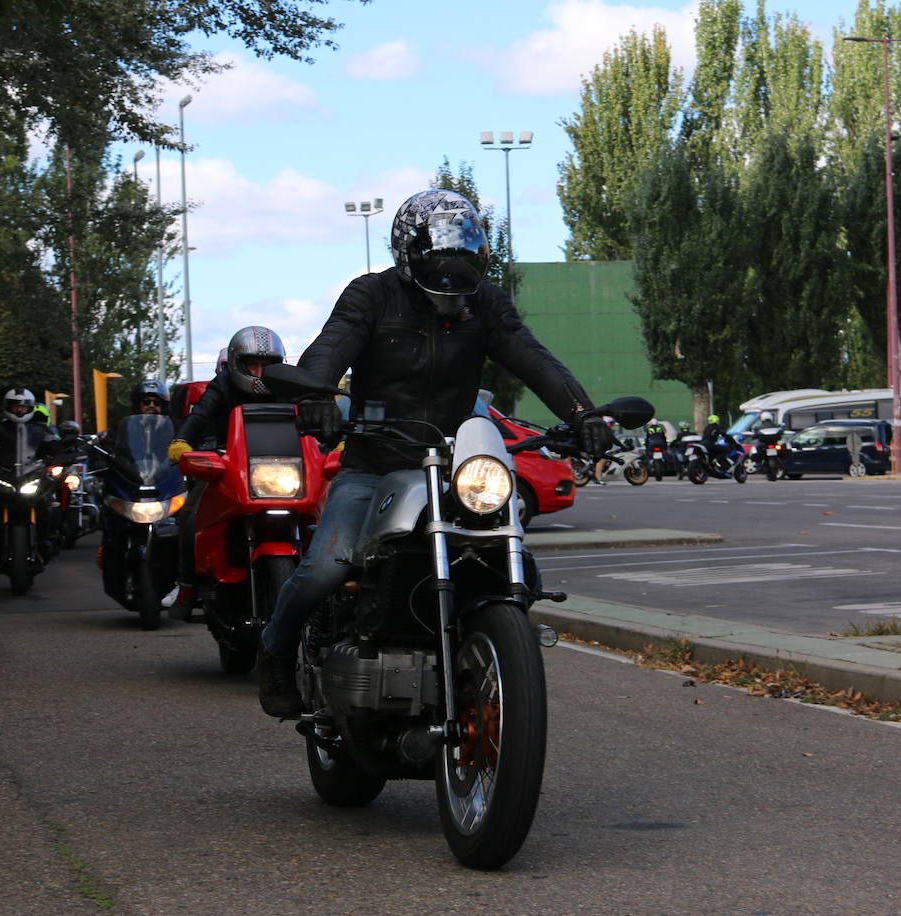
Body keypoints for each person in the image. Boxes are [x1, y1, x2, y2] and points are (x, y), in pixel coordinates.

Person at [258, 188, 612, 718]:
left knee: (519, 566)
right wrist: (314, 394)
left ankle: (490, 651)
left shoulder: (486, 302)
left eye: (463, 262)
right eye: (441, 262)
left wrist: (583, 413)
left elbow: (530, 356)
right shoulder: (371, 295)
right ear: (408, 255)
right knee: (325, 570)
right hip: (375, 462)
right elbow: (332, 344)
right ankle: (276, 653)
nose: (451, 277)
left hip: (455, 463)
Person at [163, 329, 286, 619]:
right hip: (227, 465)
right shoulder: (223, 385)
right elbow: (200, 414)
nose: (259, 372)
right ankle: (187, 585)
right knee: (191, 516)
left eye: (267, 366)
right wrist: (182, 441)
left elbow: (309, 408)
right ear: (235, 363)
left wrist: (332, 440)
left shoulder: (286, 386)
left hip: (279, 469)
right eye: (252, 365)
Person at [0, 388, 59, 558]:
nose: (19, 410)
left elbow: (54, 447)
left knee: (48, 504)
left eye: (23, 407)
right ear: (7, 407)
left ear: (30, 408)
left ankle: (47, 539)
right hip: (4, 475)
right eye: (15, 406)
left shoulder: (40, 430)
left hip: (31, 475)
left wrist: (61, 456)